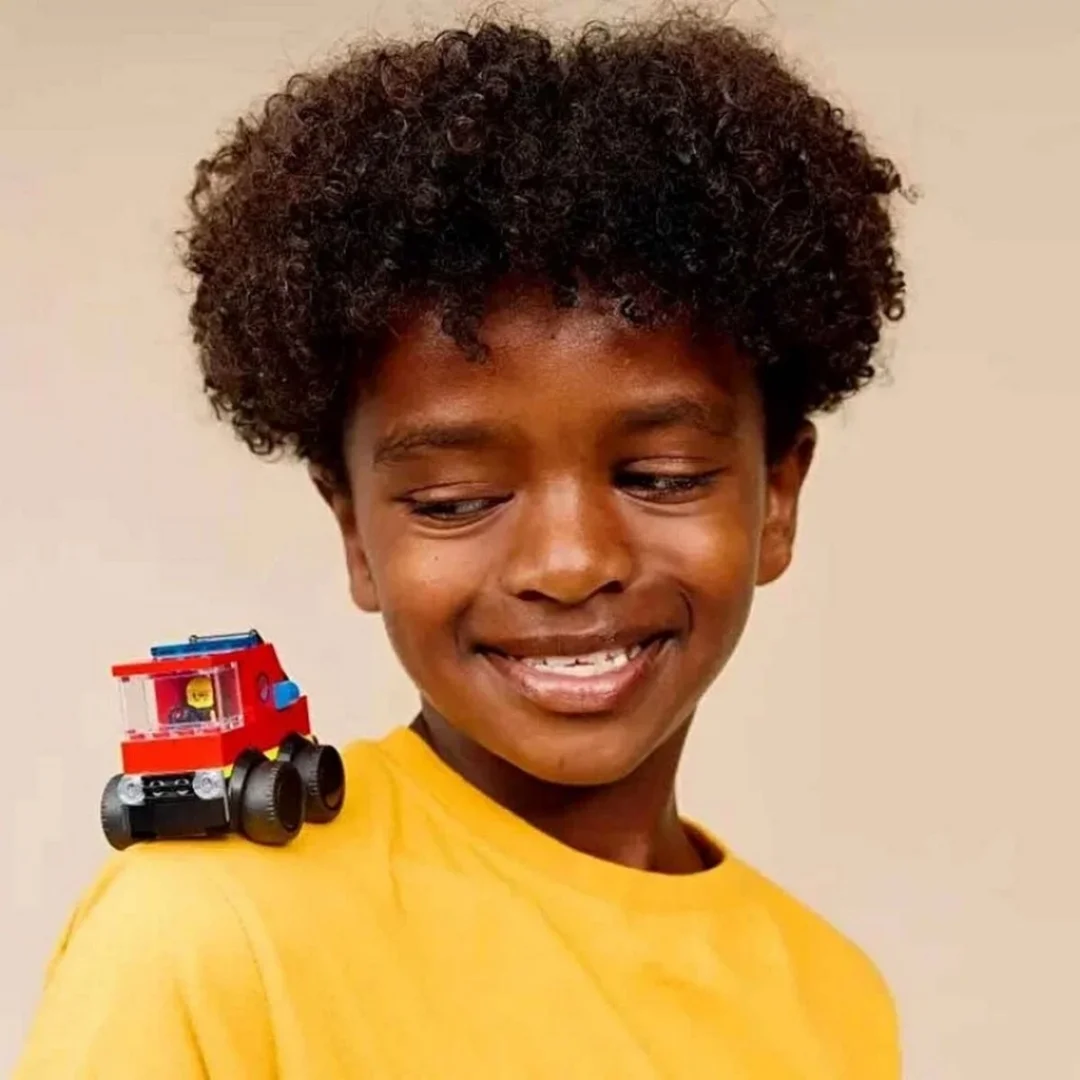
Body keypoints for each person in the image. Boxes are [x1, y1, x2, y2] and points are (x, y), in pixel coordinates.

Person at [16, 11, 907, 1078]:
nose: (569, 562)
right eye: (455, 499)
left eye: (661, 477)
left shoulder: (833, 999)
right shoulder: (208, 936)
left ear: (776, 501)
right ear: (356, 532)